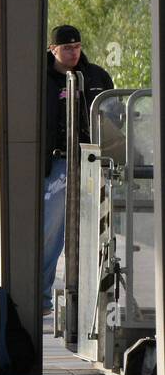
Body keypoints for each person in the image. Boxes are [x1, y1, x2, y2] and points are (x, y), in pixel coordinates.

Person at [42, 25, 113, 316]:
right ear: (53, 50)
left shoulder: (96, 76)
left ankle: (89, 297)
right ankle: (42, 296)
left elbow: (114, 114)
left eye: (77, 46)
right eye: (67, 48)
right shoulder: (42, 79)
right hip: (57, 163)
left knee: (92, 230)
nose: (74, 52)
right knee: (50, 231)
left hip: (90, 159)